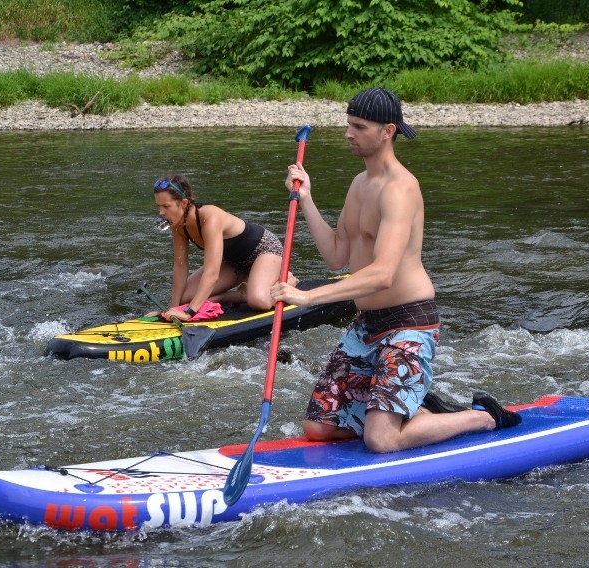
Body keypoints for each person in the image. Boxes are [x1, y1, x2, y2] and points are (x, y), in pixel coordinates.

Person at [271, 87, 520, 453]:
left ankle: (481, 416)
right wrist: (306, 199)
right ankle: (409, 410)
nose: (348, 134)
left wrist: (306, 297)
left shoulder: (401, 190)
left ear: (387, 131)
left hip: (409, 324)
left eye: (358, 127)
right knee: (318, 428)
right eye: (348, 125)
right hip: (367, 326)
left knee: (381, 440)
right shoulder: (359, 184)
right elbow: (336, 255)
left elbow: (383, 273)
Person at [151, 173, 295, 321]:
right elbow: (180, 266)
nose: (161, 213)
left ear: (183, 203)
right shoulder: (178, 224)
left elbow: (211, 273)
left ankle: (288, 281)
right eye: (159, 206)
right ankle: (241, 294)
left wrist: (189, 312)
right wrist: (174, 309)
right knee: (185, 299)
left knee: (259, 302)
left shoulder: (210, 217)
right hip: (233, 263)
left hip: (264, 251)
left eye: (166, 206)